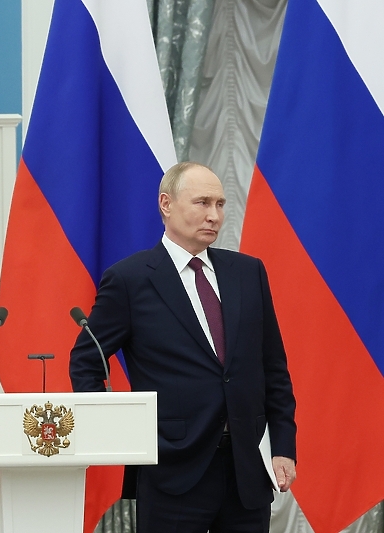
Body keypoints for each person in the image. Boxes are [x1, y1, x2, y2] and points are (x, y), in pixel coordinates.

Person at [70, 162, 296, 532]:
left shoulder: (248, 272)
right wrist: (119, 431)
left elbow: (273, 366)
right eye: (203, 202)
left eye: (221, 204)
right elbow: (86, 360)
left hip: (247, 469)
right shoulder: (130, 279)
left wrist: (284, 446)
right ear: (166, 204)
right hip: (171, 470)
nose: (214, 215)